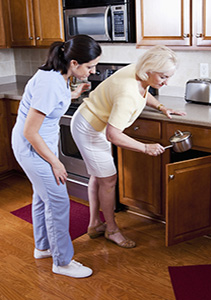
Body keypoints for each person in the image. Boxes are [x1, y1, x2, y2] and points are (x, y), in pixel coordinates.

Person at [70, 45, 186, 249]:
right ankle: (111, 230)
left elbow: (144, 91)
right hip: (89, 128)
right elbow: (113, 134)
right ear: (149, 70)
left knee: (99, 176)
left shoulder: (139, 71)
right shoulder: (127, 93)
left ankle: (95, 224)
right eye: (163, 77)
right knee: (108, 180)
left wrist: (161, 107)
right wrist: (145, 147)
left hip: (93, 122)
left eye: (168, 77)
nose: (166, 83)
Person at [11, 35, 102, 278]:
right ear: (74, 63)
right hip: (33, 148)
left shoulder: (58, 77)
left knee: (43, 198)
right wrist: (56, 162)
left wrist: (73, 94)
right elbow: (30, 131)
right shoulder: (50, 83)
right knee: (59, 202)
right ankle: (62, 262)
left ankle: (43, 247)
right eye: (90, 66)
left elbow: (51, 104)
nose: (93, 71)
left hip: (38, 146)